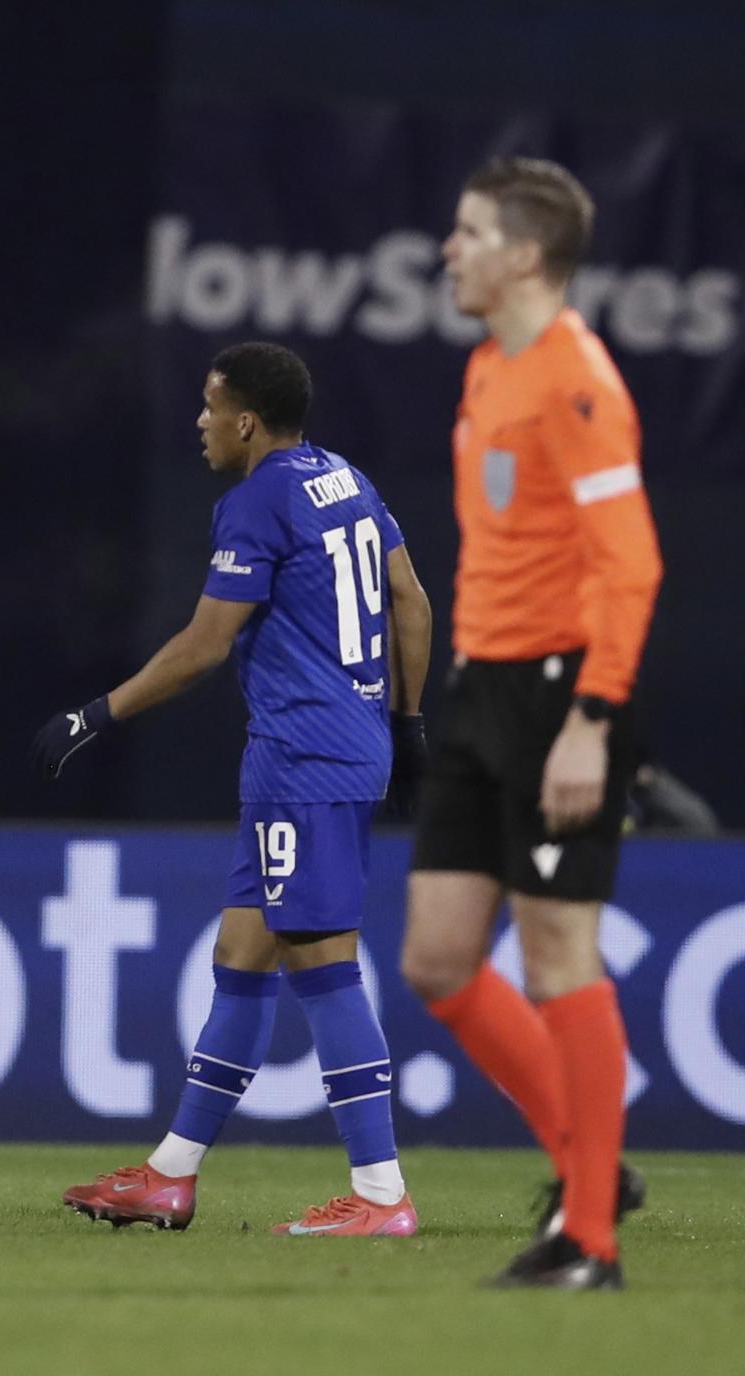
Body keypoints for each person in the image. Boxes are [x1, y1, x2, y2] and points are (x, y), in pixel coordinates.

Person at [36, 342, 432, 1238]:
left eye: (211, 407)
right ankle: (171, 1177)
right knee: (243, 960)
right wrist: (405, 725)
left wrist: (95, 716)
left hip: (306, 760)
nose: (200, 422)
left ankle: (380, 1197)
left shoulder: (254, 502)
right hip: (331, 751)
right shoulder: (347, 479)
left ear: (248, 420)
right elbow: (411, 601)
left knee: (324, 966)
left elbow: (205, 645)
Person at [402, 156, 662, 1290]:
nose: (449, 249)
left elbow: (634, 566)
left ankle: (591, 1238)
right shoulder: (486, 367)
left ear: (523, 253)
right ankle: (590, 1167)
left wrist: (592, 720)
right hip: (484, 689)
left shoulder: (577, 380)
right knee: (440, 957)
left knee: (560, 953)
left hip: (565, 696)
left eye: (466, 232)